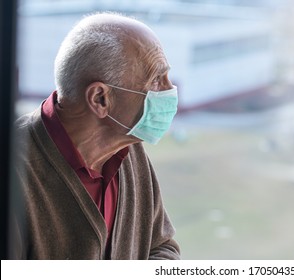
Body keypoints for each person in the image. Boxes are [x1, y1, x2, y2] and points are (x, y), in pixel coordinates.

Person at [11, 12, 181, 259]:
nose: (170, 89)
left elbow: (162, 246)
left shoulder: (129, 149)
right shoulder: (15, 171)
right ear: (100, 99)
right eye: (156, 79)